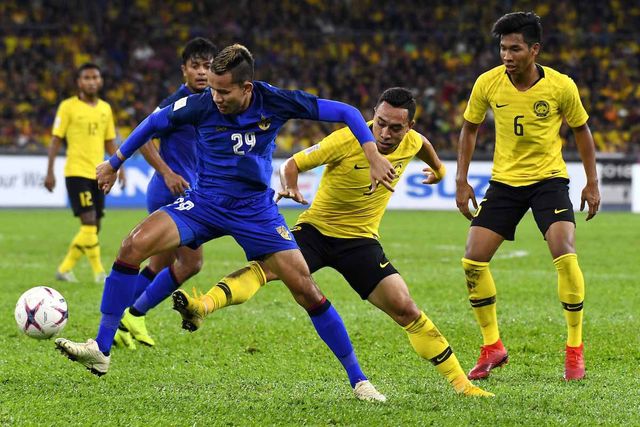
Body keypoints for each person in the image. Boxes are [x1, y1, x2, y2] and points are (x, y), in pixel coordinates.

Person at [55, 44, 396, 402]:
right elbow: (154, 123)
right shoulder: (200, 104)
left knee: (306, 290)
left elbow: (347, 112)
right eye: (212, 88)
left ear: (247, 88)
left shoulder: (275, 100)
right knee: (132, 245)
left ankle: (359, 380)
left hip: (255, 211)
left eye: (223, 90)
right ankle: (101, 348)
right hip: (204, 202)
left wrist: (371, 152)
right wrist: (114, 162)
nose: (214, 96)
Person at [172, 87, 494, 397]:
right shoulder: (346, 139)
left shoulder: (411, 141)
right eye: (380, 123)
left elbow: (423, 146)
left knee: (405, 307)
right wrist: (292, 185)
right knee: (265, 269)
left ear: (408, 126)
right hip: (316, 231)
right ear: (373, 116)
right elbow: (292, 163)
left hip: (360, 242)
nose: (384, 133)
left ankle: (462, 385)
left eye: (395, 128)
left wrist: (438, 170)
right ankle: (202, 306)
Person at [454, 12, 600, 381]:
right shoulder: (487, 83)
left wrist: (591, 181)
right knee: (473, 260)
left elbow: (582, 131)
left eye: (515, 48)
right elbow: (469, 129)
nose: (507, 55)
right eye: (503, 48)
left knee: (564, 251)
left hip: (548, 180)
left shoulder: (560, 86)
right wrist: (461, 179)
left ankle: (574, 350)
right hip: (504, 183)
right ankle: (492, 347)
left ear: (534, 50)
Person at [113, 37, 218, 350]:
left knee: (158, 265)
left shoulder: (214, 102)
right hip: (170, 192)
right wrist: (167, 172)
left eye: (208, 66)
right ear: (183, 69)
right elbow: (144, 136)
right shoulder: (177, 101)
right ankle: (133, 314)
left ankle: (122, 322)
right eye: (195, 66)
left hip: (191, 193)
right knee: (191, 264)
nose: (202, 72)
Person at [45, 63, 126, 284]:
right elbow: (55, 140)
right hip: (76, 172)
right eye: (87, 78)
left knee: (95, 225)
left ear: (100, 81)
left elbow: (110, 142)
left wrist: (121, 168)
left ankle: (65, 269)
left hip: (98, 172)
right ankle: (99, 272)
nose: (91, 81)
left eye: (95, 77)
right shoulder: (67, 107)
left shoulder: (105, 109)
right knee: (89, 222)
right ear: (79, 82)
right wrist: (50, 171)